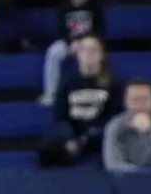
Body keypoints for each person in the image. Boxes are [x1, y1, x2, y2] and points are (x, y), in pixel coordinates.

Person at [40, 36, 121, 167]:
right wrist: (69, 137)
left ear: (102, 55)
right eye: (84, 50)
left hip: (98, 137)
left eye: (93, 50)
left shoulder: (113, 83)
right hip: (73, 134)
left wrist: (90, 136)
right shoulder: (68, 82)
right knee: (48, 148)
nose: (88, 54)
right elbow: (60, 116)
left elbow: (114, 116)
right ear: (77, 55)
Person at [40, 0, 105, 104]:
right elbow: (60, 30)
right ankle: (51, 93)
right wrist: (71, 42)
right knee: (53, 52)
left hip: (90, 42)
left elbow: (100, 29)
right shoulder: (63, 6)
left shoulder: (96, 5)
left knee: (91, 53)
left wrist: (84, 42)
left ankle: (96, 91)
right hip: (68, 43)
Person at [103, 79, 151, 171]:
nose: (140, 105)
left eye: (145, 99)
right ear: (126, 102)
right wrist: (140, 175)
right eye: (135, 100)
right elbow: (112, 164)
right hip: (128, 181)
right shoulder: (116, 125)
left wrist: (149, 133)